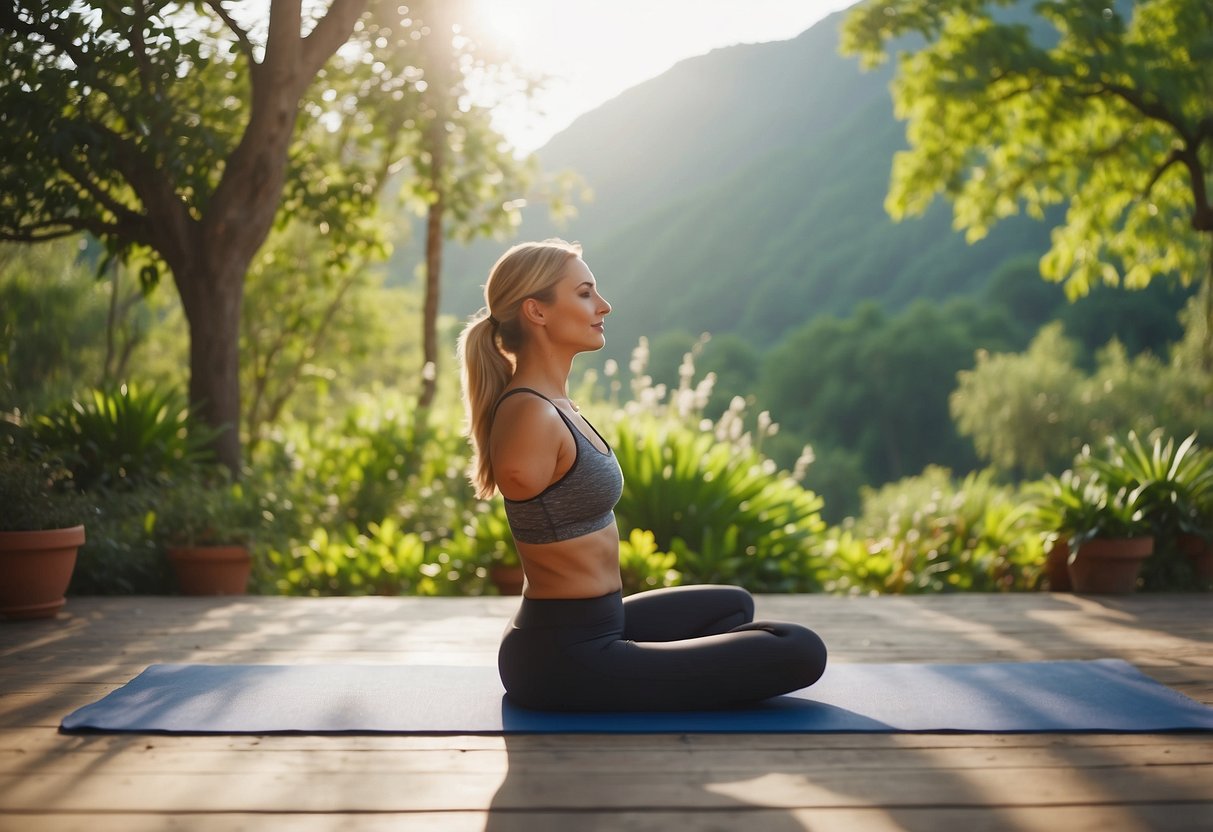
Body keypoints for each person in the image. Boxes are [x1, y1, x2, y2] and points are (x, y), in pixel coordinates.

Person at [457, 238, 827, 711]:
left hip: (599, 622)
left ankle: (651, 667)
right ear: (538, 311)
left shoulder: (556, 405)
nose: (604, 305)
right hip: (564, 656)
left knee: (732, 605)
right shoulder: (530, 416)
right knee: (799, 648)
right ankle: (633, 670)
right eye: (585, 293)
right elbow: (517, 475)